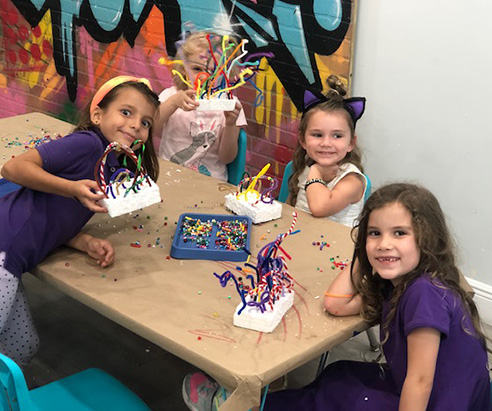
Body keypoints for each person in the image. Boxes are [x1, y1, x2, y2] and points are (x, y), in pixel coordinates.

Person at [263, 183, 491, 410]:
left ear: (428, 238)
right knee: (339, 375)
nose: (384, 244)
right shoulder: (398, 282)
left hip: (439, 402)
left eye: (399, 233)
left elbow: (420, 382)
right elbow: (336, 303)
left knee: (338, 399)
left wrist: (373, 250)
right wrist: (364, 254)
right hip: (414, 385)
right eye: (374, 233)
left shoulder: (424, 293)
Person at [0, 75, 160, 366]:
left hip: (13, 259)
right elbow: (13, 168)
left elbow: (54, 211)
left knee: (22, 347)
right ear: (97, 115)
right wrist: (72, 188)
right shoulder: (87, 144)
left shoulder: (111, 165)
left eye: (146, 122)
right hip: (4, 250)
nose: (136, 124)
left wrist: (83, 242)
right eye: (126, 112)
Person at [154, 31, 247, 181]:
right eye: (197, 69)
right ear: (183, 69)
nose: (205, 77)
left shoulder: (231, 105)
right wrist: (173, 103)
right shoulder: (170, 95)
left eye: (215, 71)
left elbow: (227, 158)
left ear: (227, 74)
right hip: (168, 175)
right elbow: (150, 129)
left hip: (210, 182)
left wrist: (230, 124)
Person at [288, 75, 367, 227]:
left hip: (336, 242)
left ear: (351, 143)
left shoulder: (352, 181)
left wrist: (316, 171)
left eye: (337, 136)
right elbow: (291, 209)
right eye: (317, 135)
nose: (326, 143)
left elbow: (319, 208)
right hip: (301, 236)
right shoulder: (306, 166)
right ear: (303, 140)